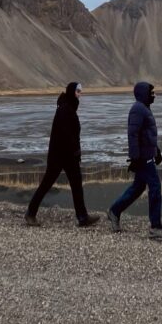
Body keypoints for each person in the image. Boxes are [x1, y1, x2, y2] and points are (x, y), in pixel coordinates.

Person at [25, 82, 100, 228]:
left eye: (80, 91)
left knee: (76, 184)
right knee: (47, 184)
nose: (79, 94)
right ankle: (30, 213)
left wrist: (75, 152)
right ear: (72, 92)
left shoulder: (68, 107)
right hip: (60, 156)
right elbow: (66, 135)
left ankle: (83, 217)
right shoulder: (65, 109)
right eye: (78, 91)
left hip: (68, 155)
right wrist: (75, 151)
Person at [107, 81, 162, 240]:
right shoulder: (138, 109)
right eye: (152, 93)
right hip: (143, 158)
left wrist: (156, 151)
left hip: (146, 155)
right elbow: (133, 135)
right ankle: (155, 227)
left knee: (137, 187)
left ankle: (114, 211)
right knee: (155, 187)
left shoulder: (144, 108)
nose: (154, 95)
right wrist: (135, 158)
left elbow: (147, 134)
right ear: (144, 94)